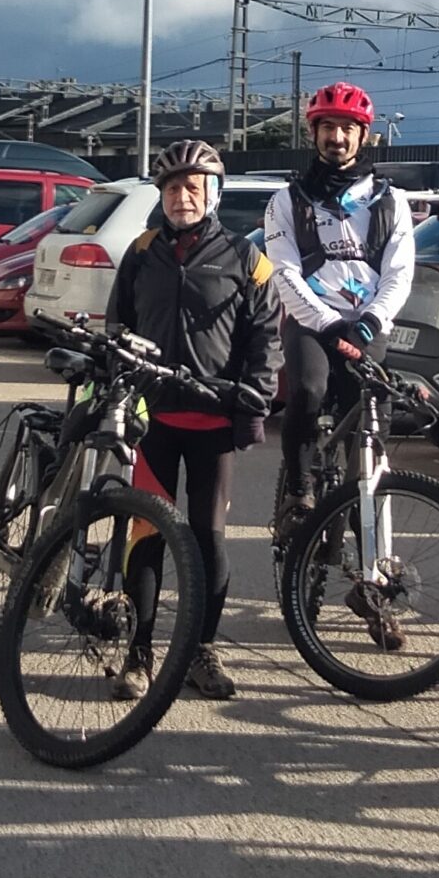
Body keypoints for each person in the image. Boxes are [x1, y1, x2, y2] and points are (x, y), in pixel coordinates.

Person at [107, 138, 280, 701]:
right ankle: (138, 653)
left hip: (212, 421)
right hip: (153, 417)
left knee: (207, 538)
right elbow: (117, 326)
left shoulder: (248, 260)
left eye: (193, 187)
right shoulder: (141, 252)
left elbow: (266, 339)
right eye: (172, 188)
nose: (182, 197)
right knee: (148, 533)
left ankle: (201, 649)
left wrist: (255, 396)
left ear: (213, 194)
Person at [262, 81, 417, 542]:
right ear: (313, 133)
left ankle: (366, 525)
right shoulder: (287, 200)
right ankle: (299, 489)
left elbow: (399, 273)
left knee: (369, 422)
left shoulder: (390, 201)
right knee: (308, 390)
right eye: (328, 127)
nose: (337, 137)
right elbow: (284, 272)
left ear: (364, 135)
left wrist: (370, 322)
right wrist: (326, 323)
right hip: (312, 324)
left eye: (348, 128)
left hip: (367, 325)